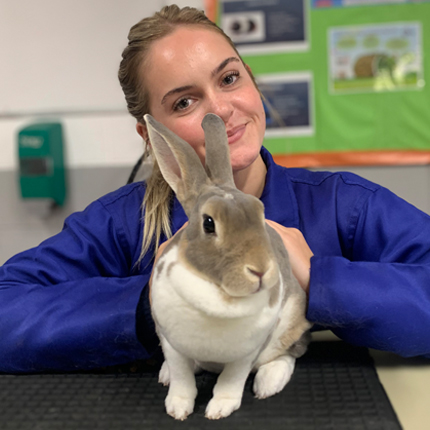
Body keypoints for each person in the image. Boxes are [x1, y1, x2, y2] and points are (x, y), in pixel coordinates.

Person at [1, 5, 429, 373]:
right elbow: (8, 310)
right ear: (152, 138)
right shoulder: (122, 225)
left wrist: (320, 279)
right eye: (184, 102)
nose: (221, 110)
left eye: (228, 79)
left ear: (252, 82)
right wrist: (151, 300)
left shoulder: (342, 206)